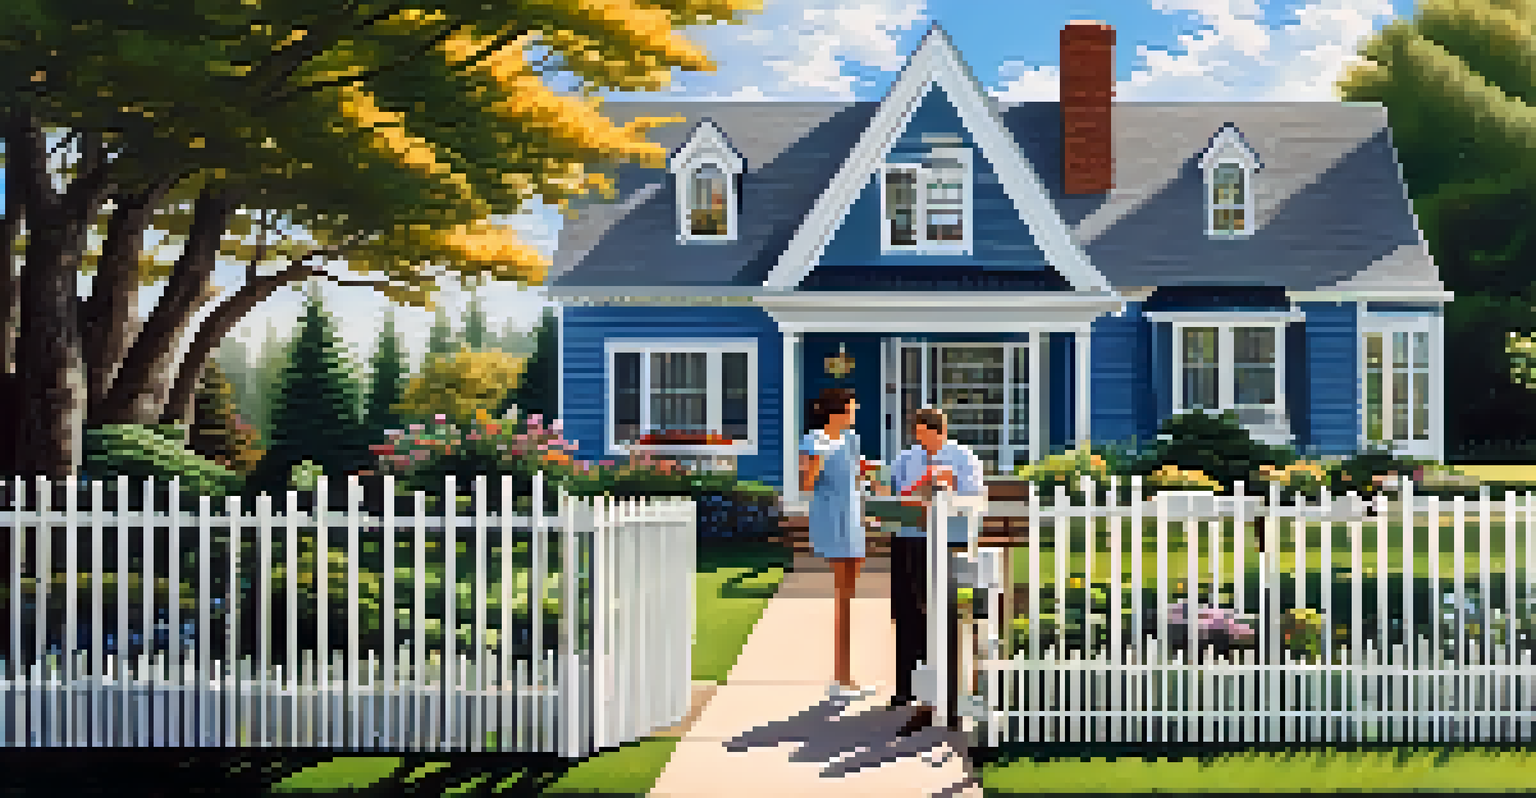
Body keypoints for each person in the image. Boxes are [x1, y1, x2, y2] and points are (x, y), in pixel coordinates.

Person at [887, 407, 985, 733]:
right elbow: (896, 496)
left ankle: (945, 697)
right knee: (907, 612)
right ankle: (908, 688)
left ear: (938, 431)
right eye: (916, 434)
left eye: (924, 434)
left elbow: (974, 497)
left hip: (945, 542)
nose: (919, 441)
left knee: (941, 616)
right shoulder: (905, 458)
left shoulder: (963, 457)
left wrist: (949, 485)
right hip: (909, 538)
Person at [799, 387, 881, 700]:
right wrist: (815, 463)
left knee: (849, 597)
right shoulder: (813, 440)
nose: (855, 412)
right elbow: (807, 484)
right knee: (843, 599)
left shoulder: (850, 439)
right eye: (851, 407)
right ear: (837, 412)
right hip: (832, 520)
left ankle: (844, 676)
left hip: (853, 519)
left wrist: (867, 469)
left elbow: (855, 473)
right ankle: (841, 679)